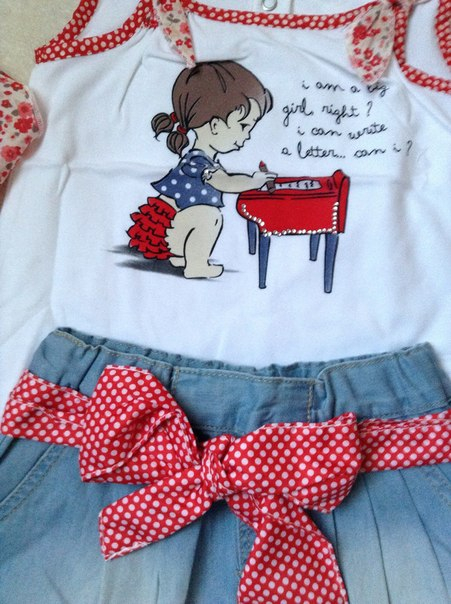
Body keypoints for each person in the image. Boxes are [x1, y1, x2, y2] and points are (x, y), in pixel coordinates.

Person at [127, 61, 276, 279]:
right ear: (215, 125)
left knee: (204, 214)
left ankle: (182, 255)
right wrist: (254, 181)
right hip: (164, 232)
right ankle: (196, 265)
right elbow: (225, 182)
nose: (248, 135)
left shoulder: (202, 159)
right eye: (244, 126)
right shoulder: (197, 163)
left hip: (169, 229)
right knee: (210, 216)